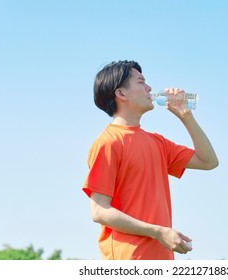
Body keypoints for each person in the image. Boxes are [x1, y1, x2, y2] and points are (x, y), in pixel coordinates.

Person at [82, 60, 218, 260]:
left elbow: (208, 161)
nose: (149, 88)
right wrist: (159, 232)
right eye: (141, 82)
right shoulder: (109, 142)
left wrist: (186, 116)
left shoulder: (157, 143)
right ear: (121, 94)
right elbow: (100, 211)